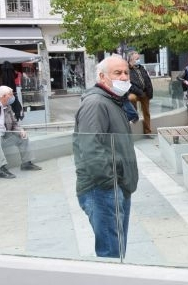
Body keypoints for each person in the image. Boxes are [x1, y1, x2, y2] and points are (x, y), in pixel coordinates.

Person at [73, 55, 139, 258]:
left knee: (117, 249)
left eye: (126, 72)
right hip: (103, 189)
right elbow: (91, 148)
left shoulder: (114, 101)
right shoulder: (96, 104)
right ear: (102, 77)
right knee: (111, 253)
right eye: (117, 73)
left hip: (116, 185)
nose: (124, 77)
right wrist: (111, 182)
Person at [0, 85, 41, 179]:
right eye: (10, 94)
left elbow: (14, 123)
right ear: (4, 96)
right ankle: (1, 169)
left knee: (22, 137)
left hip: (4, 134)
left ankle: (26, 163)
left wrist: (21, 130)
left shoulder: (7, 106)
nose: (12, 97)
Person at [127, 51, 154, 135]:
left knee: (146, 112)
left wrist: (150, 92)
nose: (139, 60)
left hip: (144, 92)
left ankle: (148, 131)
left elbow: (148, 81)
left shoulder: (141, 68)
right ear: (131, 60)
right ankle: (134, 114)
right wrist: (140, 92)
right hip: (135, 92)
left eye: (138, 58)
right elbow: (129, 85)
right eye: (137, 59)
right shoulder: (127, 70)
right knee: (131, 98)